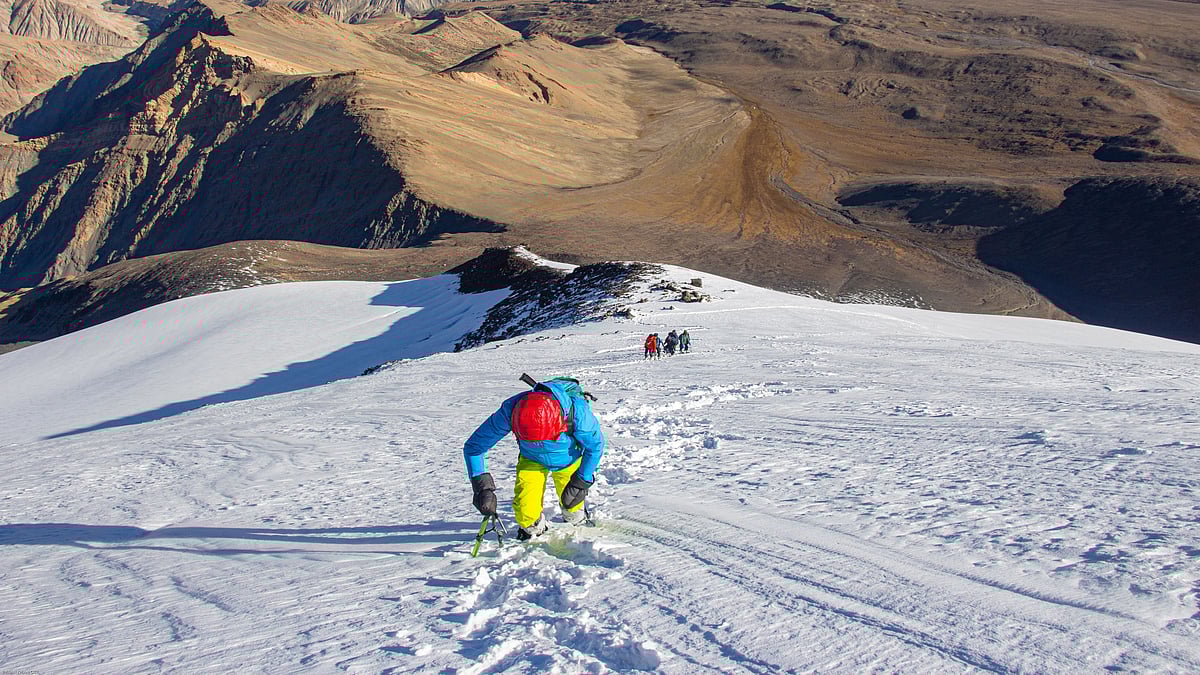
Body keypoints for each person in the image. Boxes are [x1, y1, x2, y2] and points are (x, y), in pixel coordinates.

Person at [463, 376, 607, 540]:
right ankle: (534, 529)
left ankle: (577, 518)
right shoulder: (511, 410)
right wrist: (482, 488)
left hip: (568, 457)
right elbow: (475, 446)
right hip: (531, 458)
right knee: (526, 513)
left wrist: (581, 480)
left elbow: (595, 447)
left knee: (573, 503)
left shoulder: (578, 413)